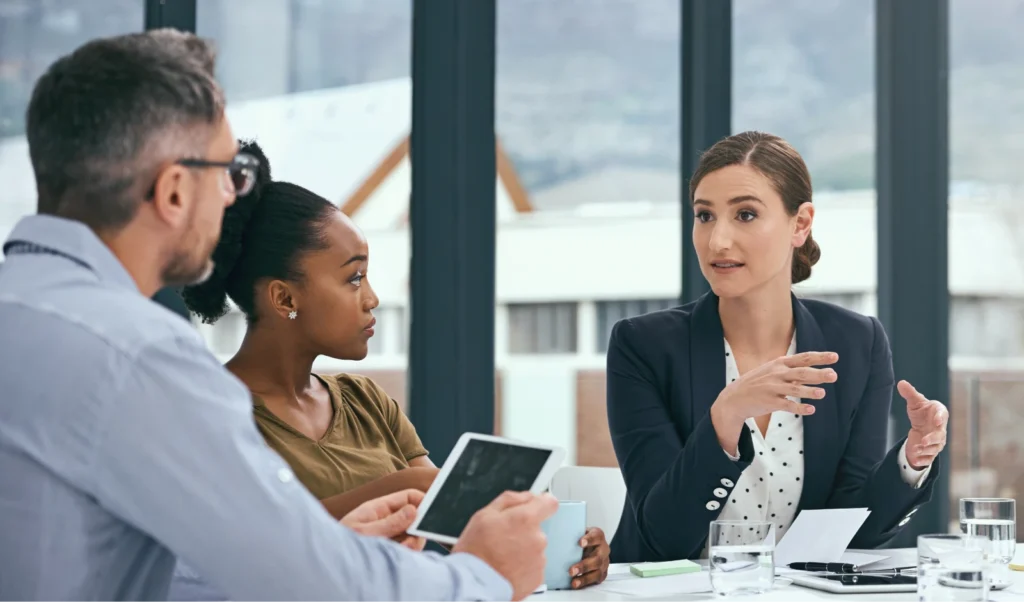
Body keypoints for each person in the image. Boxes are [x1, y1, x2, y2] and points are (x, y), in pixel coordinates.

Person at [0, 29, 556, 602]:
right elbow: (312, 584)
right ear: (172, 193)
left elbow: (105, 562)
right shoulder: (138, 354)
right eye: (228, 175)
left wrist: (328, 543)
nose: (232, 199)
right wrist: (482, 577)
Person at [173, 139, 611, 592]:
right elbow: (251, 545)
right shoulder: (213, 414)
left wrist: (563, 545)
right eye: (353, 278)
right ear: (285, 297)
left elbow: (451, 519)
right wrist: (402, 485)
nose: (372, 298)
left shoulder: (366, 401)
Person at [606, 131, 949, 563]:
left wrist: (911, 460)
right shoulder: (643, 346)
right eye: (705, 216)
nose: (717, 241)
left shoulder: (858, 342)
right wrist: (725, 416)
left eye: (745, 215)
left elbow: (853, 529)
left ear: (800, 223)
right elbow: (663, 536)